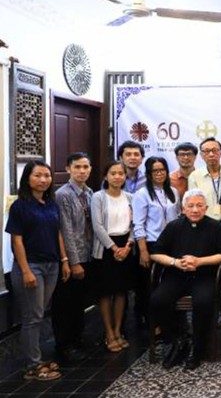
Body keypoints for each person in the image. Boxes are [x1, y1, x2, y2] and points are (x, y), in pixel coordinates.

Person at [149, 189, 221, 370]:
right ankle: (177, 341)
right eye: (190, 206)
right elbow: (156, 253)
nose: (195, 210)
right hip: (176, 274)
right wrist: (175, 262)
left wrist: (200, 261)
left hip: (204, 276)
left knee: (203, 302)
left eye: (199, 206)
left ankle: (199, 347)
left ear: (206, 208)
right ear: (183, 208)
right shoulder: (173, 226)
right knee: (158, 300)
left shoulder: (215, 227)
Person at [6, 161, 69, 381]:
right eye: (38, 176)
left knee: (40, 313)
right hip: (31, 266)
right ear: (28, 178)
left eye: (47, 175)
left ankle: (36, 358)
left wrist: (64, 260)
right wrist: (25, 271)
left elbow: (58, 233)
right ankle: (32, 366)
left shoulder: (50, 203)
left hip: (52, 265)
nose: (43, 180)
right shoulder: (20, 205)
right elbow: (17, 240)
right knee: (32, 317)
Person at [51, 152, 94, 363]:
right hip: (72, 258)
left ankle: (77, 340)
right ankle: (64, 345)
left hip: (88, 254)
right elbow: (66, 230)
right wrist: (73, 261)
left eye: (85, 167)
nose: (82, 171)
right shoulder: (63, 195)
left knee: (79, 302)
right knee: (65, 304)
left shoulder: (90, 192)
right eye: (77, 167)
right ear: (68, 169)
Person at [91, 161, 135, 353]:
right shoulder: (98, 197)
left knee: (121, 292)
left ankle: (118, 331)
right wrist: (114, 248)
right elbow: (97, 226)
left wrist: (127, 246)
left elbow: (135, 224)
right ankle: (108, 333)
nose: (117, 176)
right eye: (113, 173)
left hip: (126, 246)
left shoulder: (130, 197)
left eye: (121, 173)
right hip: (105, 249)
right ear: (105, 176)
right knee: (105, 293)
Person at [133, 157, 181, 328]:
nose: (159, 174)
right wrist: (143, 250)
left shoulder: (173, 192)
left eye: (162, 170)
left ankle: (171, 322)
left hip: (173, 245)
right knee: (149, 285)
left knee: (169, 284)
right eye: (155, 171)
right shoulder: (142, 194)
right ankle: (152, 324)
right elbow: (138, 224)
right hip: (152, 244)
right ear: (148, 173)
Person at [187, 137, 221, 222]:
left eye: (215, 150)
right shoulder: (195, 176)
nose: (211, 154)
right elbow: (194, 203)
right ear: (201, 155)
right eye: (206, 151)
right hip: (206, 224)